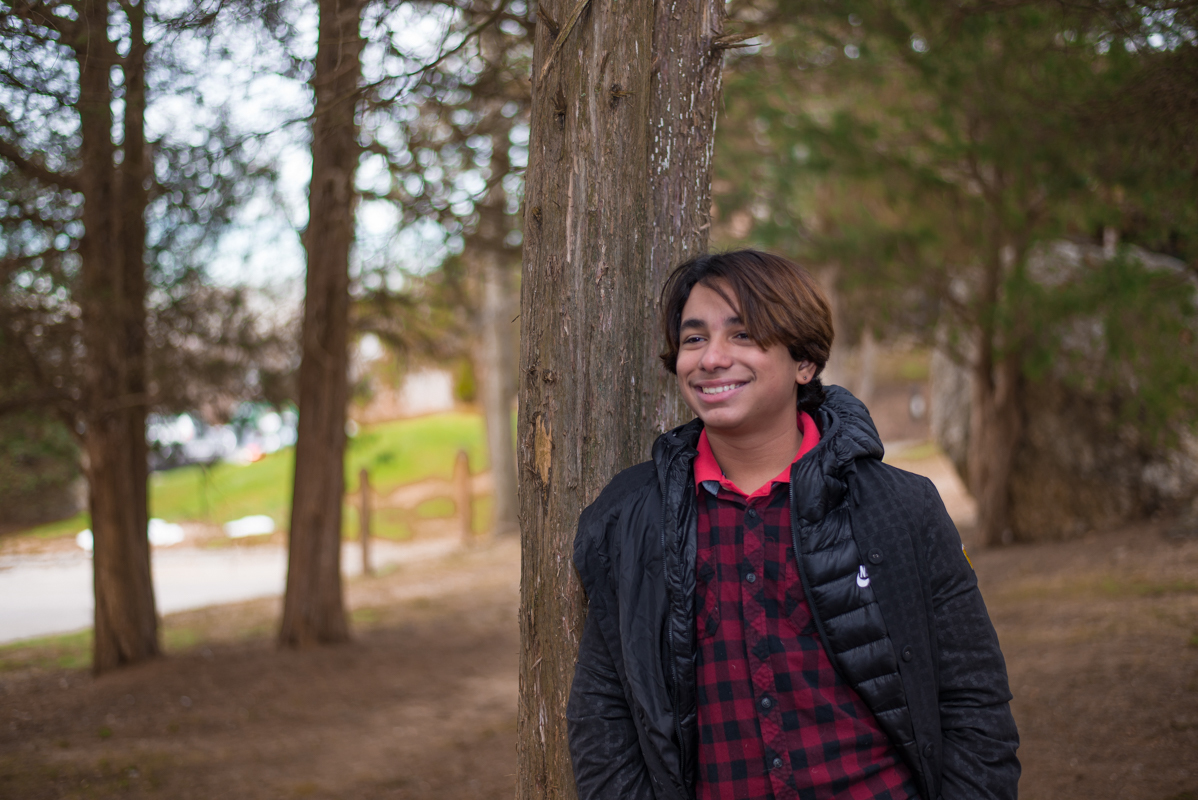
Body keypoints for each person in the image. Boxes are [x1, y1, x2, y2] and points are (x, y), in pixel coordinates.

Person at [566, 250, 1019, 800]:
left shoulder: (899, 507)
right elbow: (604, 720)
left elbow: (974, 700)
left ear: (803, 362)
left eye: (742, 335)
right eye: (693, 339)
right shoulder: (632, 522)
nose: (712, 358)